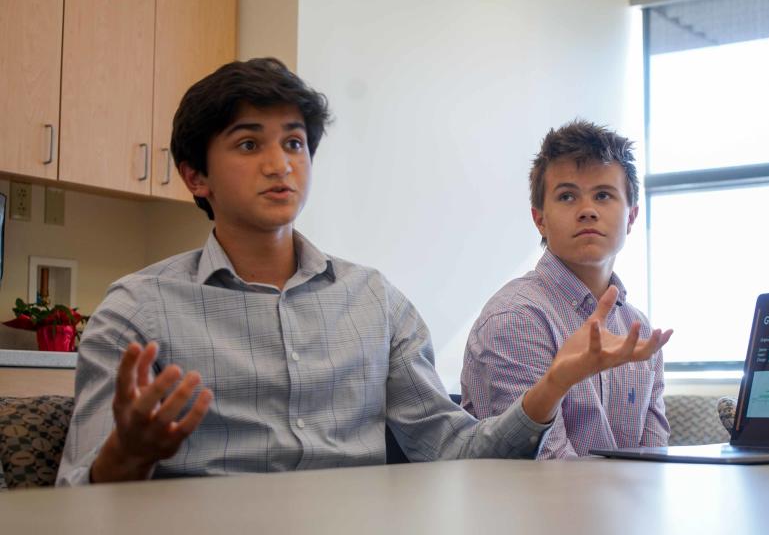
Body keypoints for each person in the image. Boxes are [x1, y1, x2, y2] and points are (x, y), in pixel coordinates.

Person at [56, 59, 670, 485]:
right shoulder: (136, 311)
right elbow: (77, 498)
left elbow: (452, 450)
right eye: (249, 145)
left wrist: (549, 386)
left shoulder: (374, 301)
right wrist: (126, 455)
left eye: (294, 144)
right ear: (196, 176)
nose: (280, 164)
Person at [460, 120, 673, 458]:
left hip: (630, 508)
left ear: (631, 217)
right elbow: (547, 473)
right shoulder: (515, 318)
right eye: (567, 196)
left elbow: (655, 462)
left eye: (603, 195)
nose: (587, 210)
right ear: (539, 218)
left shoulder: (640, 331)